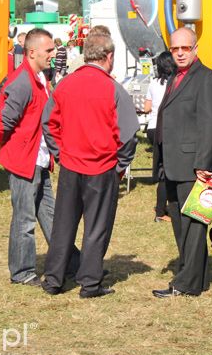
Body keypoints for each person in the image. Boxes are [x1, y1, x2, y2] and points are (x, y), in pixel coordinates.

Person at [41, 28, 139, 298]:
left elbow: (49, 123)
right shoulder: (113, 89)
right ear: (108, 57)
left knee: (63, 225)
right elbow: (129, 135)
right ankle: (90, 282)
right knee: (97, 227)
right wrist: (120, 166)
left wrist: (60, 153)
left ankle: (53, 279)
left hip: (72, 166)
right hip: (102, 168)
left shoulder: (65, 85)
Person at [0, 28, 77, 287]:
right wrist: (2, 142)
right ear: (32, 51)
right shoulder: (23, 81)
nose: (53, 54)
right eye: (49, 50)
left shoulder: (39, 78)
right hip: (24, 161)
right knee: (24, 219)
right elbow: (4, 120)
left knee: (52, 216)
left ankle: (69, 263)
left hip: (38, 160)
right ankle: (22, 272)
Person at [151, 27, 212, 298]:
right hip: (172, 164)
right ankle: (198, 277)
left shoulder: (207, 79)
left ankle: (184, 284)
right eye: (175, 49)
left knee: (194, 224)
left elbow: (210, 123)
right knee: (181, 223)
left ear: (195, 49)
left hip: (194, 165)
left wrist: (203, 165)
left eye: (185, 48)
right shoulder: (175, 77)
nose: (180, 53)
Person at [143, 51, 175, 223]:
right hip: (169, 129)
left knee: (163, 168)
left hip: (153, 128)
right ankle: (161, 211)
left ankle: (162, 208)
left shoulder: (153, 83)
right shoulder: (176, 83)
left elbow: (147, 108)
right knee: (167, 172)